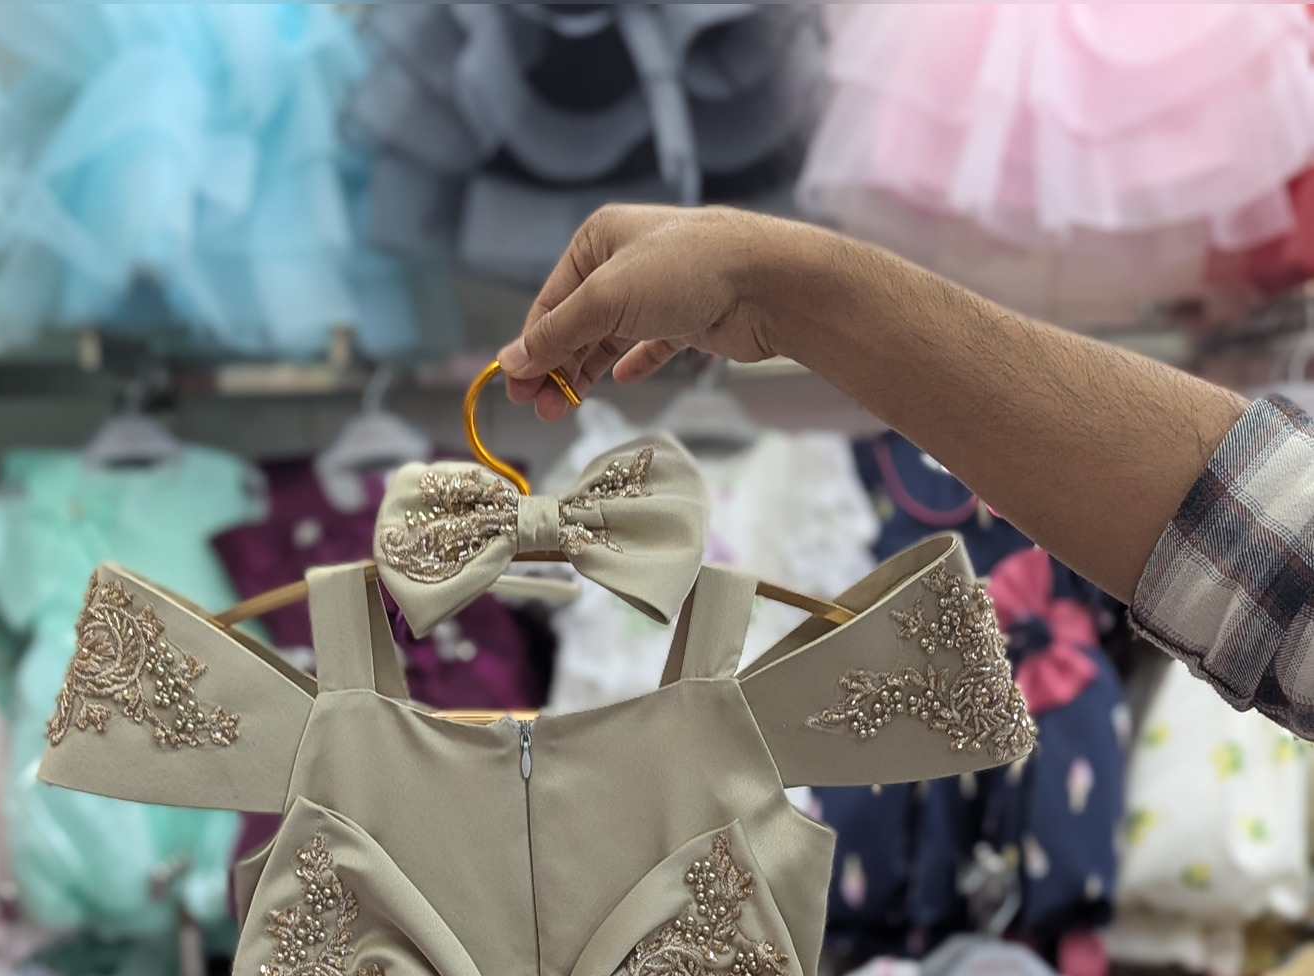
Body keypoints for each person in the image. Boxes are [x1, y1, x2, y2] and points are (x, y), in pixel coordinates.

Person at [499, 205, 1314, 741]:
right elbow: (1275, 556)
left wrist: (773, 288)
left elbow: (1272, 560)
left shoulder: (808, 482)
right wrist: (769, 288)